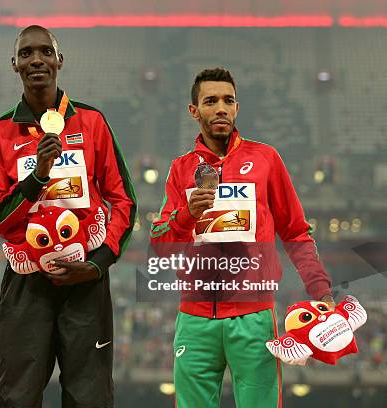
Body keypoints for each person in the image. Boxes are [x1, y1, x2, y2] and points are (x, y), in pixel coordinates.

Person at [150, 67, 335, 407]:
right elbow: (161, 247)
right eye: (210, 101)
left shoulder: (266, 160)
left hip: (254, 318)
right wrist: (188, 214)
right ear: (194, 111)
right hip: (195, 318)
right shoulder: (180, 169)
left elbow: (296, 231)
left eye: (228, 100)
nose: (220, 108)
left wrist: (320, 289)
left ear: (237, 108)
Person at [0, 25, 137, 407]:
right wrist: (37, 177)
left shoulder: (92, 122)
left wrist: (98, 264)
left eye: (45, 52)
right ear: (14, 64)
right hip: (26, 283)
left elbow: (124, 201)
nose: (37, 59)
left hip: (84, 280)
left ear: (59, 61)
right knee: (13, 396)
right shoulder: (0, 132)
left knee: (90, 397)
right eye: (27, 53)